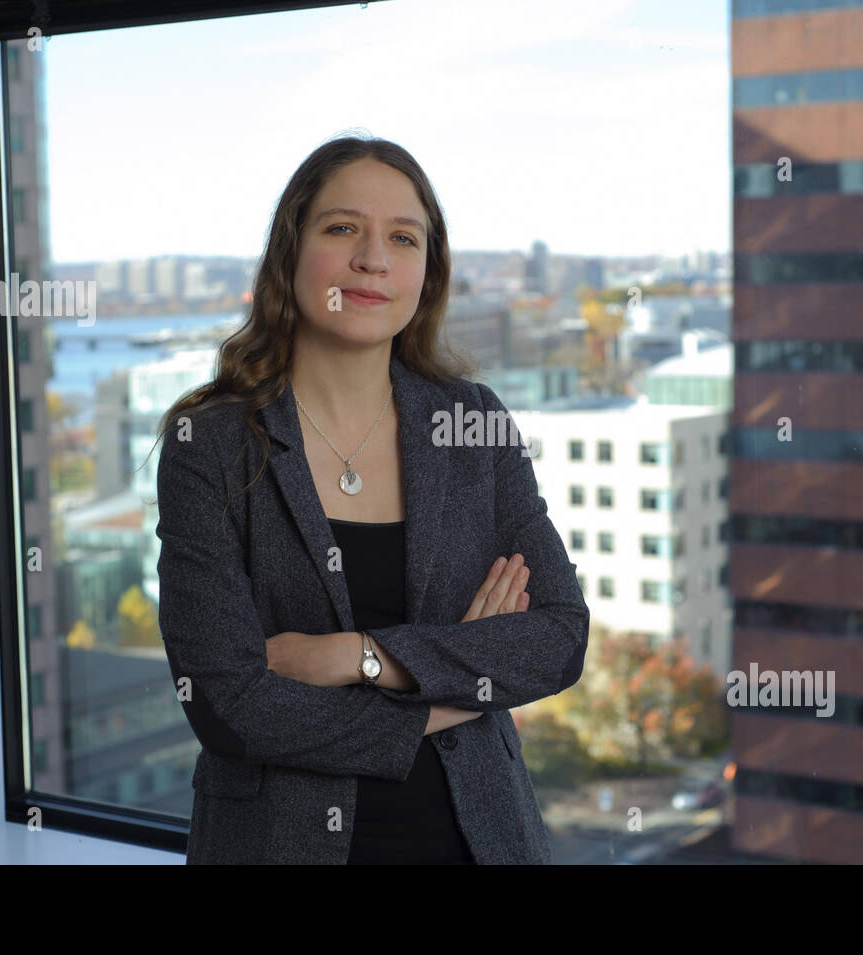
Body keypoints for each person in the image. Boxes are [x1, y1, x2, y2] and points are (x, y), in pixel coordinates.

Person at [150, 134, 590, 864]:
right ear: (290, 252)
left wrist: (361, 657)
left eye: (403, 237)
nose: (373, 259)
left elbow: (558, 638)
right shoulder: (212, 444)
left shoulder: (471, 423)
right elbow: (230, 706)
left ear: (427, 270)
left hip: (480, 843)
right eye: (342, 228)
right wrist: (463, 689)